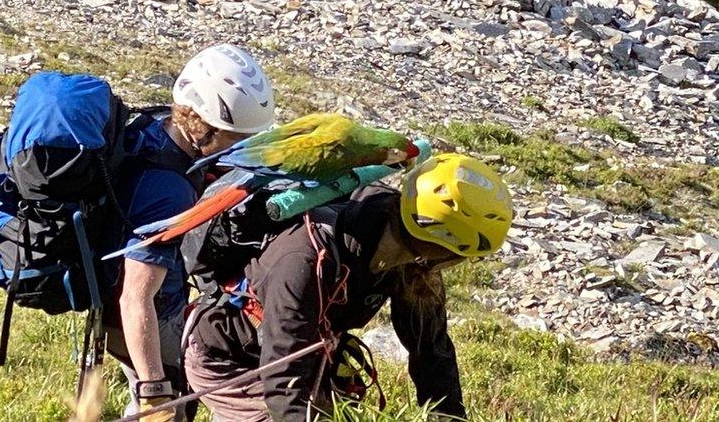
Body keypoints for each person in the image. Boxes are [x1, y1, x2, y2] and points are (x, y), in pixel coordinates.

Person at [183, 154, 514, 421]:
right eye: (456, 258)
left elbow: (431, 352)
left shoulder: (408, 258)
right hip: (229, 359)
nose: (451, 267)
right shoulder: (306, 256)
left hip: (301, 362)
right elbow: (284, 383)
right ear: (436, 243)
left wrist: (449, 417)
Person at [104, 44, 276, 421]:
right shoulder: (168, 190)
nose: (241, 147)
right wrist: (154, 391)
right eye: (235, 137)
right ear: (205, 126)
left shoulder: (158, 129)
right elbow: (135, 297)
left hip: (123, 309)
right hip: (147, 319)